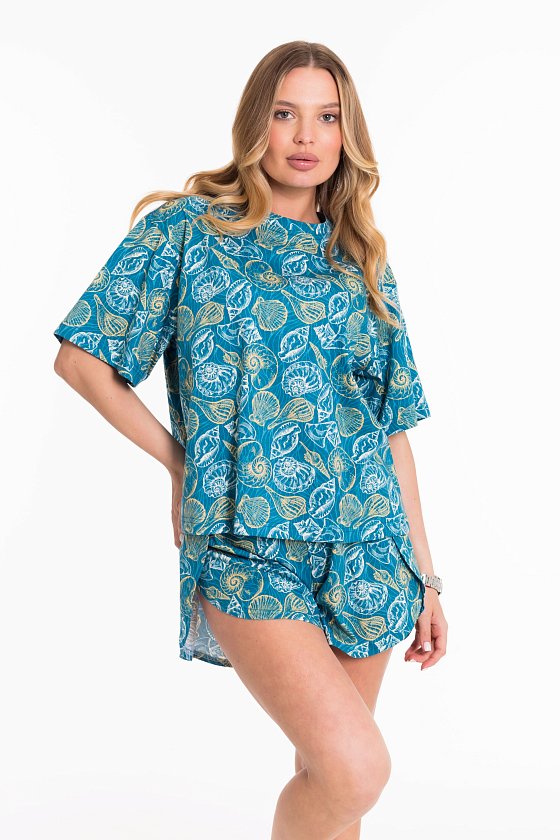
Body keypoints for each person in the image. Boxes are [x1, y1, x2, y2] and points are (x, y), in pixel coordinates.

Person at [53, 40, 447, 840]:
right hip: (243, 542)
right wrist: (180, 464)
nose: (306, 135)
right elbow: (82, 361)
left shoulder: (360, 258)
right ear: (255, 124)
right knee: (355, 767)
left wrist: (428, 576)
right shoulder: (187, 232)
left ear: (347, 136)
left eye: (327, 118)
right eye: (286, 113)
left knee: (332, 786)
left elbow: (391, 429)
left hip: (366, 545)